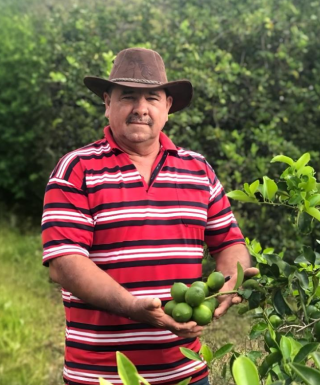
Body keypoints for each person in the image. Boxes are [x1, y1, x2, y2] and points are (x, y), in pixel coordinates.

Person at [41, 47, 251, 385]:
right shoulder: (77, 169)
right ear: (107, 102)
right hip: (101, 376)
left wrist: (228, 283)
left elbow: (230, 243)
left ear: (167, 106)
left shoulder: (198, 170)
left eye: (152, 98)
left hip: (186, 373)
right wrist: (133, 307)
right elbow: (64, 263)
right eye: (128, 97)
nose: (141, 108)